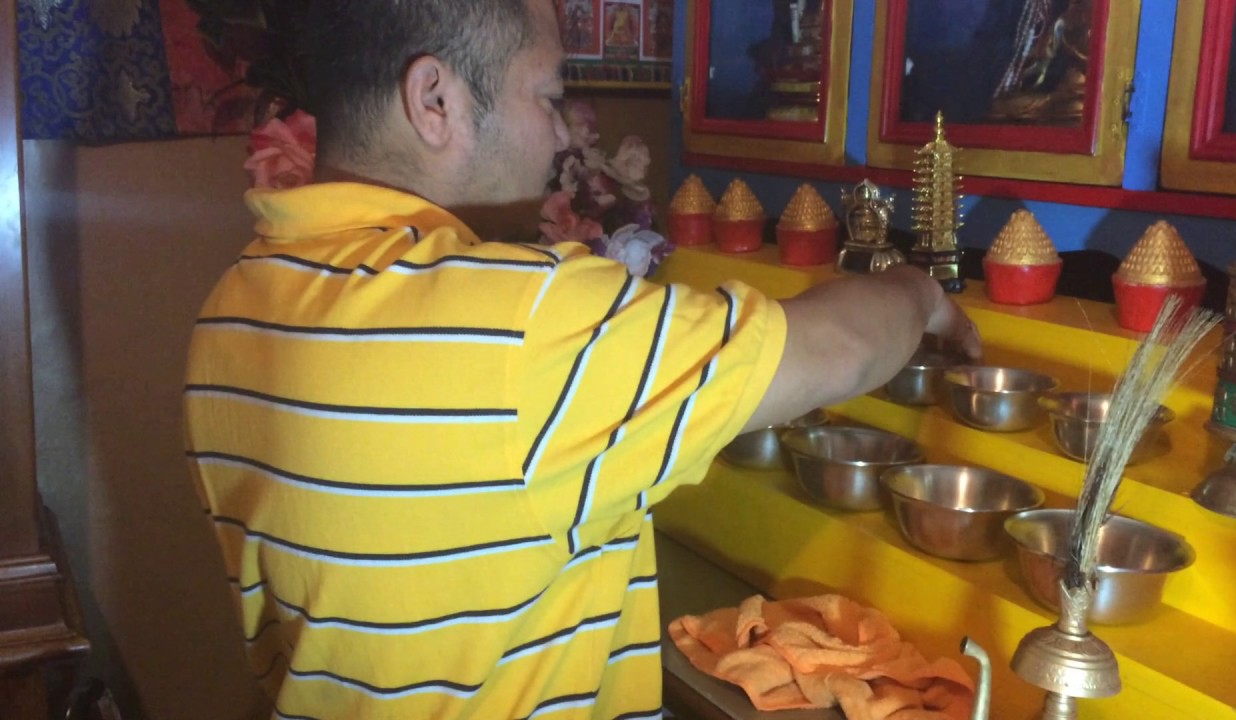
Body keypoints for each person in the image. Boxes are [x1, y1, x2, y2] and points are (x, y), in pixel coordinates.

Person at [182, 1, 982, 718]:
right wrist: (922, 291)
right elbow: (836, 347)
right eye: (550, 96)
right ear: (435, 100)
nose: (563, 134)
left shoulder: (234, 304)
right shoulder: (517, 324)